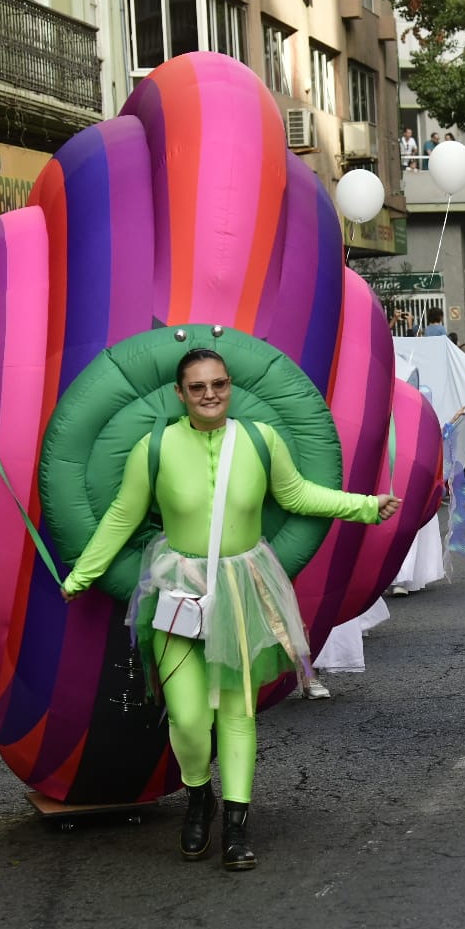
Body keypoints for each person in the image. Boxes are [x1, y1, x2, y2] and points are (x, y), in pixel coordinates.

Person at [59, 349, 400, 872]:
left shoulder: (261, 440)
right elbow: (122, 517)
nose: (210, 394)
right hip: (177, 592)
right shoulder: (154, 447)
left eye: (218, 383)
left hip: (244, 589)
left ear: (230, 385)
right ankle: (199, 795)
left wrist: (364, 506)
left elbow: (296, 494)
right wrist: (81, 576)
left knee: (237, 711)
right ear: (179, 394)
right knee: (190, 718)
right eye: (197, 387)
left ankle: (237, 826)